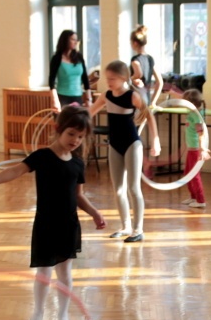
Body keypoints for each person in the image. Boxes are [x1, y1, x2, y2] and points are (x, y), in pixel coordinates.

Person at [0, 105, 106, 320]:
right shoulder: (42, 157)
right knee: (44, 272)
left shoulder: (77, 163)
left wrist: (94, 212)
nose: (75, 140)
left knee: (65, 272)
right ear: (58, 129)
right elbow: (15, 171)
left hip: (68, 225)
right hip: (46, 224)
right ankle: (38, 313)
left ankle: (63, 316)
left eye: (80, 136)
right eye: (71, 134)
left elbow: (78, 196)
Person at [89, 60, 161, 243]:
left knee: (133, 188)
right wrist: (71, 119)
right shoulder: (106, 96)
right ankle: (125, 226)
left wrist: (156, 140)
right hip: (114, 145)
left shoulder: (132, 96)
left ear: (123, 78)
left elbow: (149, 116)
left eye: (112, 79)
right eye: (107, 78)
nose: (109, 82)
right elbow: (89, 112)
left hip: (132, 144)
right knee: (118, 189)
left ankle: (138, 229)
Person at [180, 89, 210, 208]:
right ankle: (193, 197)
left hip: (195, 150)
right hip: (191, 149)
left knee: (194, 175)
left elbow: (201, 133)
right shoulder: (192, 113)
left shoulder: (196, 116)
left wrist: (202, 149)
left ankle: (201, 200)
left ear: (191, 103)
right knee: (187, 173)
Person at [49, 30, 92, 111]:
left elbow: (85, 79)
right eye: (73, 39)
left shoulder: (79, 57)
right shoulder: (56, 58)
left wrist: (88, 99)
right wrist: (55, 100)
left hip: (77, 97)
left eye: (76, 40)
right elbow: (51, 81)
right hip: (62, 96)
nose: (76, 42)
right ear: (65, 40)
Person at [130, 25, 162, 107]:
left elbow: (138, 74)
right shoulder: (150, 59)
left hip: (136, 99)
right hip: (147, 99)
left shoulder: (135, 59)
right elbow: (159, 82)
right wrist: (153, 102)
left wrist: (129, 79)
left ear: (134, 43)